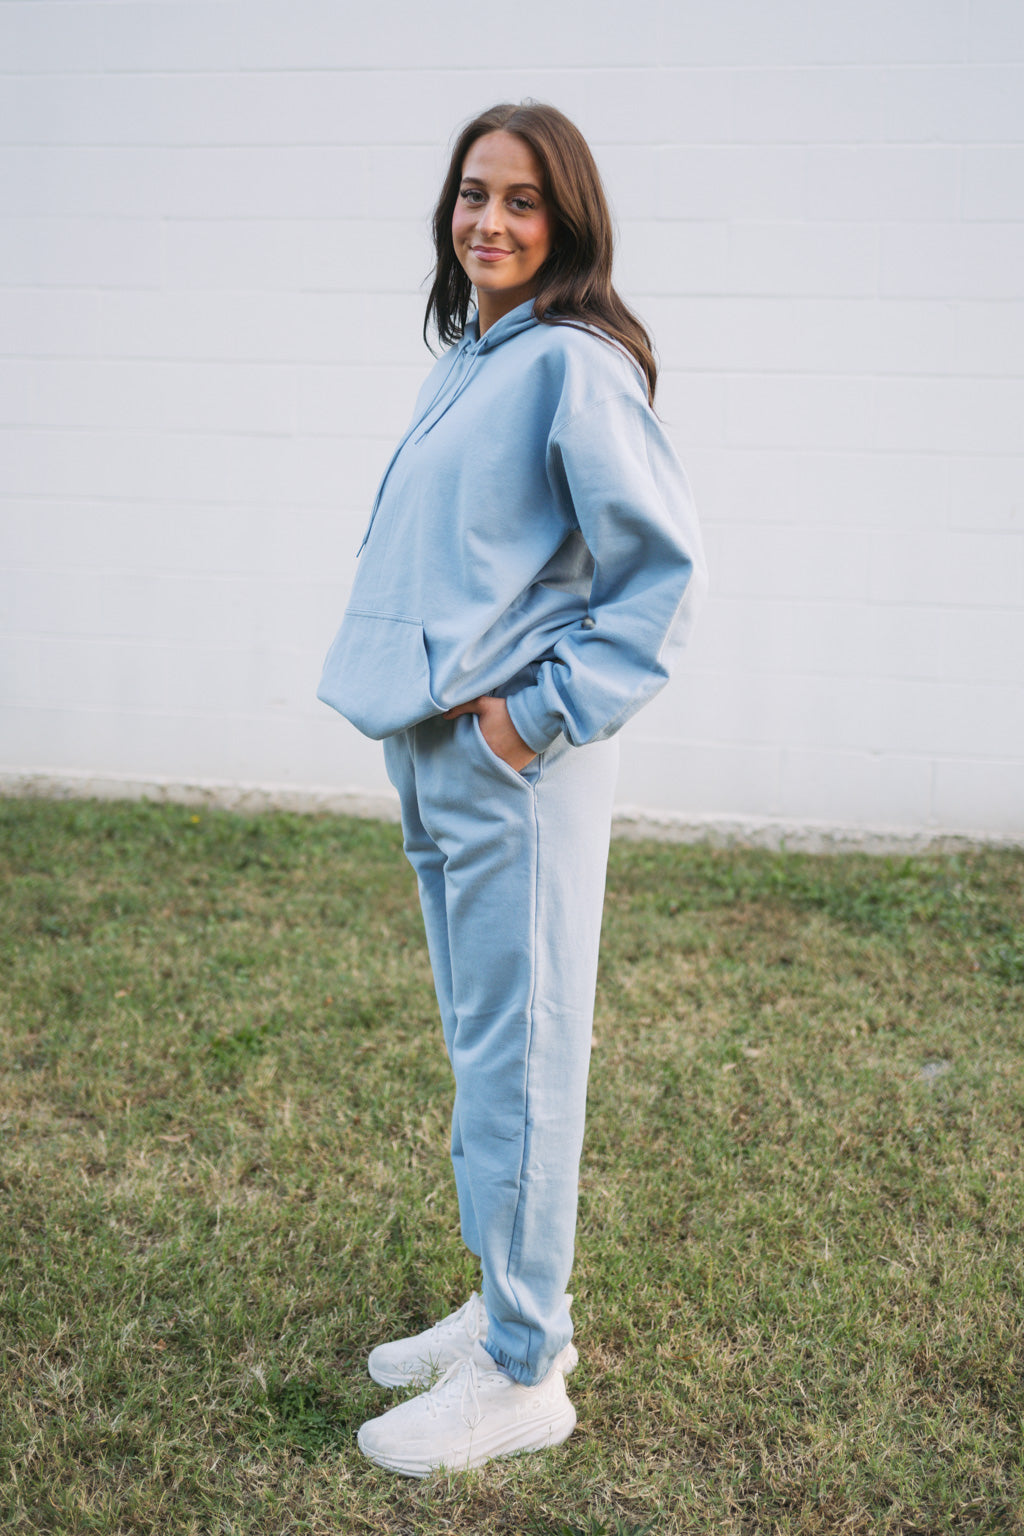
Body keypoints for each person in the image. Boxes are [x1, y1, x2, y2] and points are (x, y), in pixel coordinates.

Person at [317, 101, 706, 1478]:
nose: (489, 220)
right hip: (436, 745)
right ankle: (503, 1298)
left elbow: (659, 582)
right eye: (473, 193)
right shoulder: (476, 357)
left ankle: (525, 1370)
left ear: (569, 220)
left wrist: (532, 721)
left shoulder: (574, 366)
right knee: (487, 1048)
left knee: (525, 1056)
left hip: (511, 762)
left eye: (522, 200)